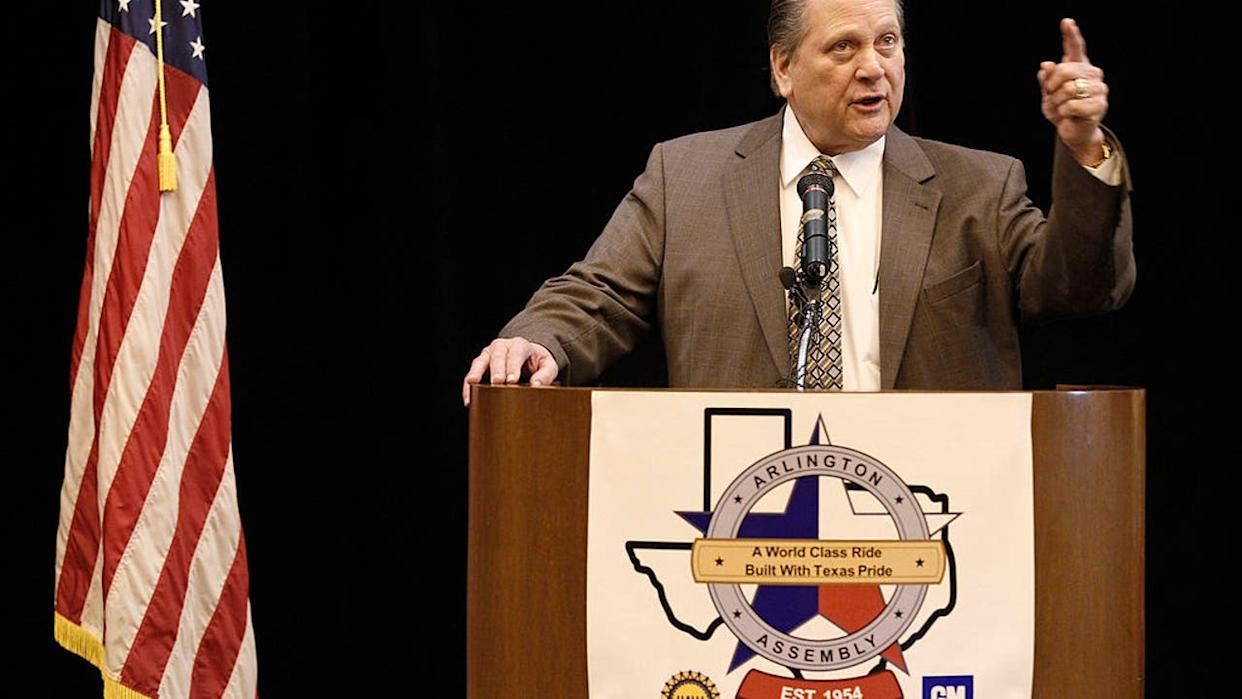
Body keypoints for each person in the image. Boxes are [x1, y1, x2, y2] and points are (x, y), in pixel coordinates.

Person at [462, 0, 1133, 405]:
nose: (874, 66)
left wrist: (1082, 148)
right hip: (746, 515)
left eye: (887, 42)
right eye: (844, 47)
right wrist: (536, 339)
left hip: (924, 515)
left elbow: (1079, 289)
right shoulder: (685, 176)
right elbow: (597, 294)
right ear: (783, 69)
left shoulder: (978, 188)